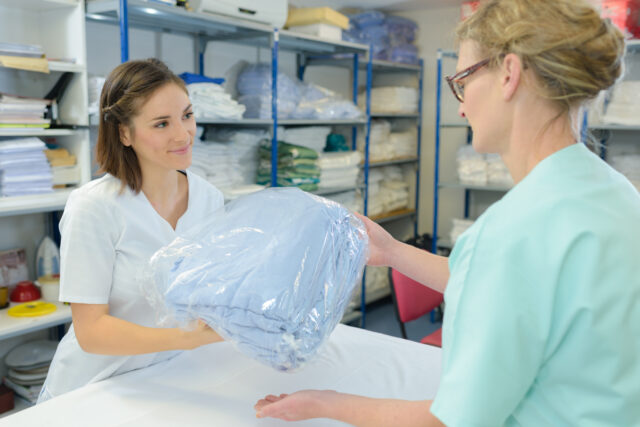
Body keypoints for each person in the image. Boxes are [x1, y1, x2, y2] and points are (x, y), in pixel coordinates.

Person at [255, 0, 640, 425]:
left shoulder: (515, 230)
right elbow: (517, 287)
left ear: (509, 74)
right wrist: (391, 250)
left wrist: (323, 404)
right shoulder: (615, 194)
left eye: (462, 81)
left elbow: (452, 421)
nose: (460, 106)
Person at [38, 59, 224, 403]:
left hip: (168, 377)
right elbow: (91, 332)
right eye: (161, 123)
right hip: (94, 387)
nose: (183, 134)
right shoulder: (94, 207)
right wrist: (188, 337)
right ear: (124, 133)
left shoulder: (209, 199)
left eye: (187, 115)